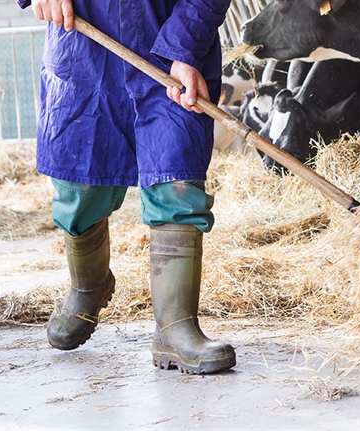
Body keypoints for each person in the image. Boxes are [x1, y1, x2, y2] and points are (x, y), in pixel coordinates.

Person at [19, 0, 235, 374]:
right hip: (83, 44)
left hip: (169, 46)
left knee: (177, 179)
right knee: (79, 189)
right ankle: (89, 287)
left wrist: (184, 45)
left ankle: (175, 327)